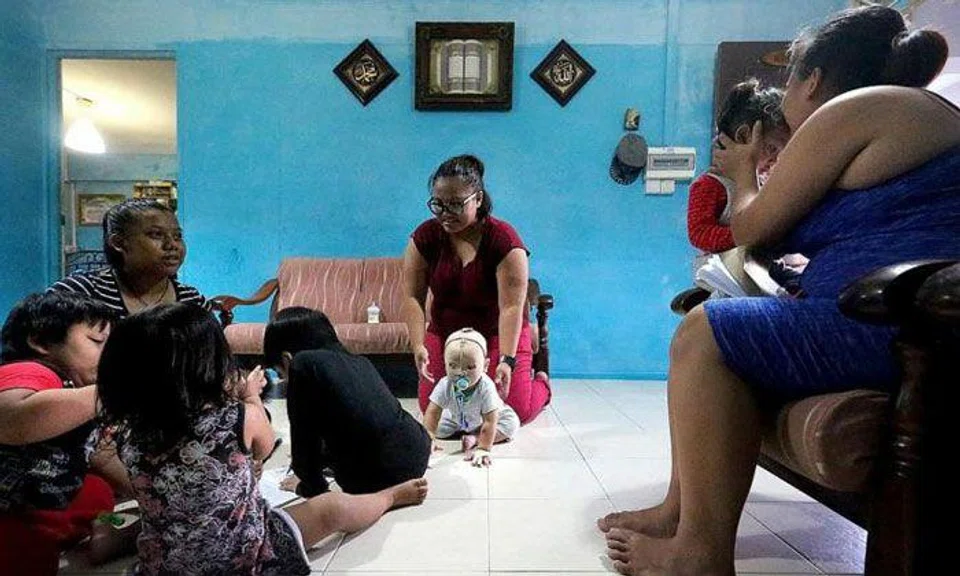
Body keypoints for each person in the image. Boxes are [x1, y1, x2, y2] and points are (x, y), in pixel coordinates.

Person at [598, 6, 957, 575]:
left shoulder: (851, 111)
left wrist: (742, 175)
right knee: (724, 319)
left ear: (811, 78)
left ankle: (699, 553)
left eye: (789, 77)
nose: (785, 94)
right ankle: (678, 513)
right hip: (911, 322)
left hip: (900, 326)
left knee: (705, 332)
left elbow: (751, 229)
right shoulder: (910, 112)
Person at [96, 303, 428, 576]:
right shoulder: (238, 417)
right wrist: (251, 399)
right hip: (240, 557)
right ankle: (391, 497)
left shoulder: (129, 436)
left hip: (166, 564)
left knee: (170, 518)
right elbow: (265, 446)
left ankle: (113, 540)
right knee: (330, 508)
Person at [402, 154, 551, 424]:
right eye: (438, 205)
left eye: (456, 205)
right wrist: (418, 346)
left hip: (497, 332)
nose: (446, 214)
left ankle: (542, 383)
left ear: (478, 199)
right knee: (433, 408)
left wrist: (507, 359)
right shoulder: (425, 237)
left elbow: (511, 307)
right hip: (447, 333)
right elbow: (413, 296)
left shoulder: (504, 241)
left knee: (513, 410)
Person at [0, 292, 133, 575]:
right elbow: (11, 420)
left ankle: (101, 534)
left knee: (97, 490)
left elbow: (99, 455)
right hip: (10, 513)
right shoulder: (30, 371)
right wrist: (110, 392)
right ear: (40, 341)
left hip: (41, 504)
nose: (109, 355)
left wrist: (151, 494)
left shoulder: (76, 391)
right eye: (97, 342)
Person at [263, 306, 431, 497]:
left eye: (280, 373)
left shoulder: (301, 364)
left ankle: (389, 497)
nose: (284, 380)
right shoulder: (360, 361)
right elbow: (358, 422)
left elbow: (304, 438)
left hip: (377, 477)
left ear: (286, 359)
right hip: (417, 451)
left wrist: (305, 484)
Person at [687, 80, 802, 296]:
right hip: (722, 276)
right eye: (771, 148)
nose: (775, 159)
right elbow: (698, 233)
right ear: (742, 137)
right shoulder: (710, 185)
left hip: (760, 268)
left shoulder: (763, 182)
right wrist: (744, 235)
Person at [49, 198, 204, 317]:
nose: (172, 245)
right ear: (118, 243)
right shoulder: (79, 292)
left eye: (177, 236)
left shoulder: (190, 298)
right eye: (156, 234)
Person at [423, 328, 520, 467]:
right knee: (435, 427)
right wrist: (428, 440)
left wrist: (483, 449)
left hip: (487, 419)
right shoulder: (445, 384)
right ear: (444, 364)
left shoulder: (486, 387)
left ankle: (475, 439)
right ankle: (465, 431)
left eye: (470, 367)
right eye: (453, 366)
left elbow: (489, 421)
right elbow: (433, 412)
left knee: (511, 424)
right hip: (456, 418)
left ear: (485, 366)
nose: (461, 373)